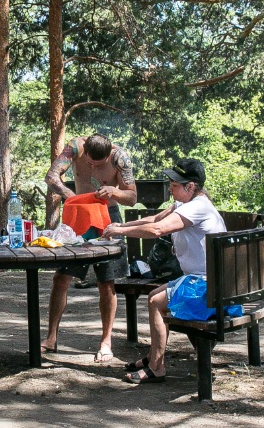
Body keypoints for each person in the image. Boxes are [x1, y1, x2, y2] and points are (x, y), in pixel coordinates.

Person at [101, 158, 226, 383]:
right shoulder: (185, 203)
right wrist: (120, 226)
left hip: (210, 286)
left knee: (156, 302)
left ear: (190, 186)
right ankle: (153, 358)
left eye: (175, 184)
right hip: (201, 280)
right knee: (153, 297)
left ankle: (157, 367)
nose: (170, 187)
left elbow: (158, 229)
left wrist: (122, 232)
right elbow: (156, 218)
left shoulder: (198, 207)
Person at [41, 133, 137, 362]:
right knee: (61, 278)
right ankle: (51, 337)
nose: (93, 167)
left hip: (107, 216)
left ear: (108, 155)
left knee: (106, 282)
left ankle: (106, 341)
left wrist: (114, 191)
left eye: (99, 164)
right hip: (77, 216)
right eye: (90, 162)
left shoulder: (119, 157)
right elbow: (51, 176)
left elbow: (132, 197)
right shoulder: (75, 147)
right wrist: (73, 197)